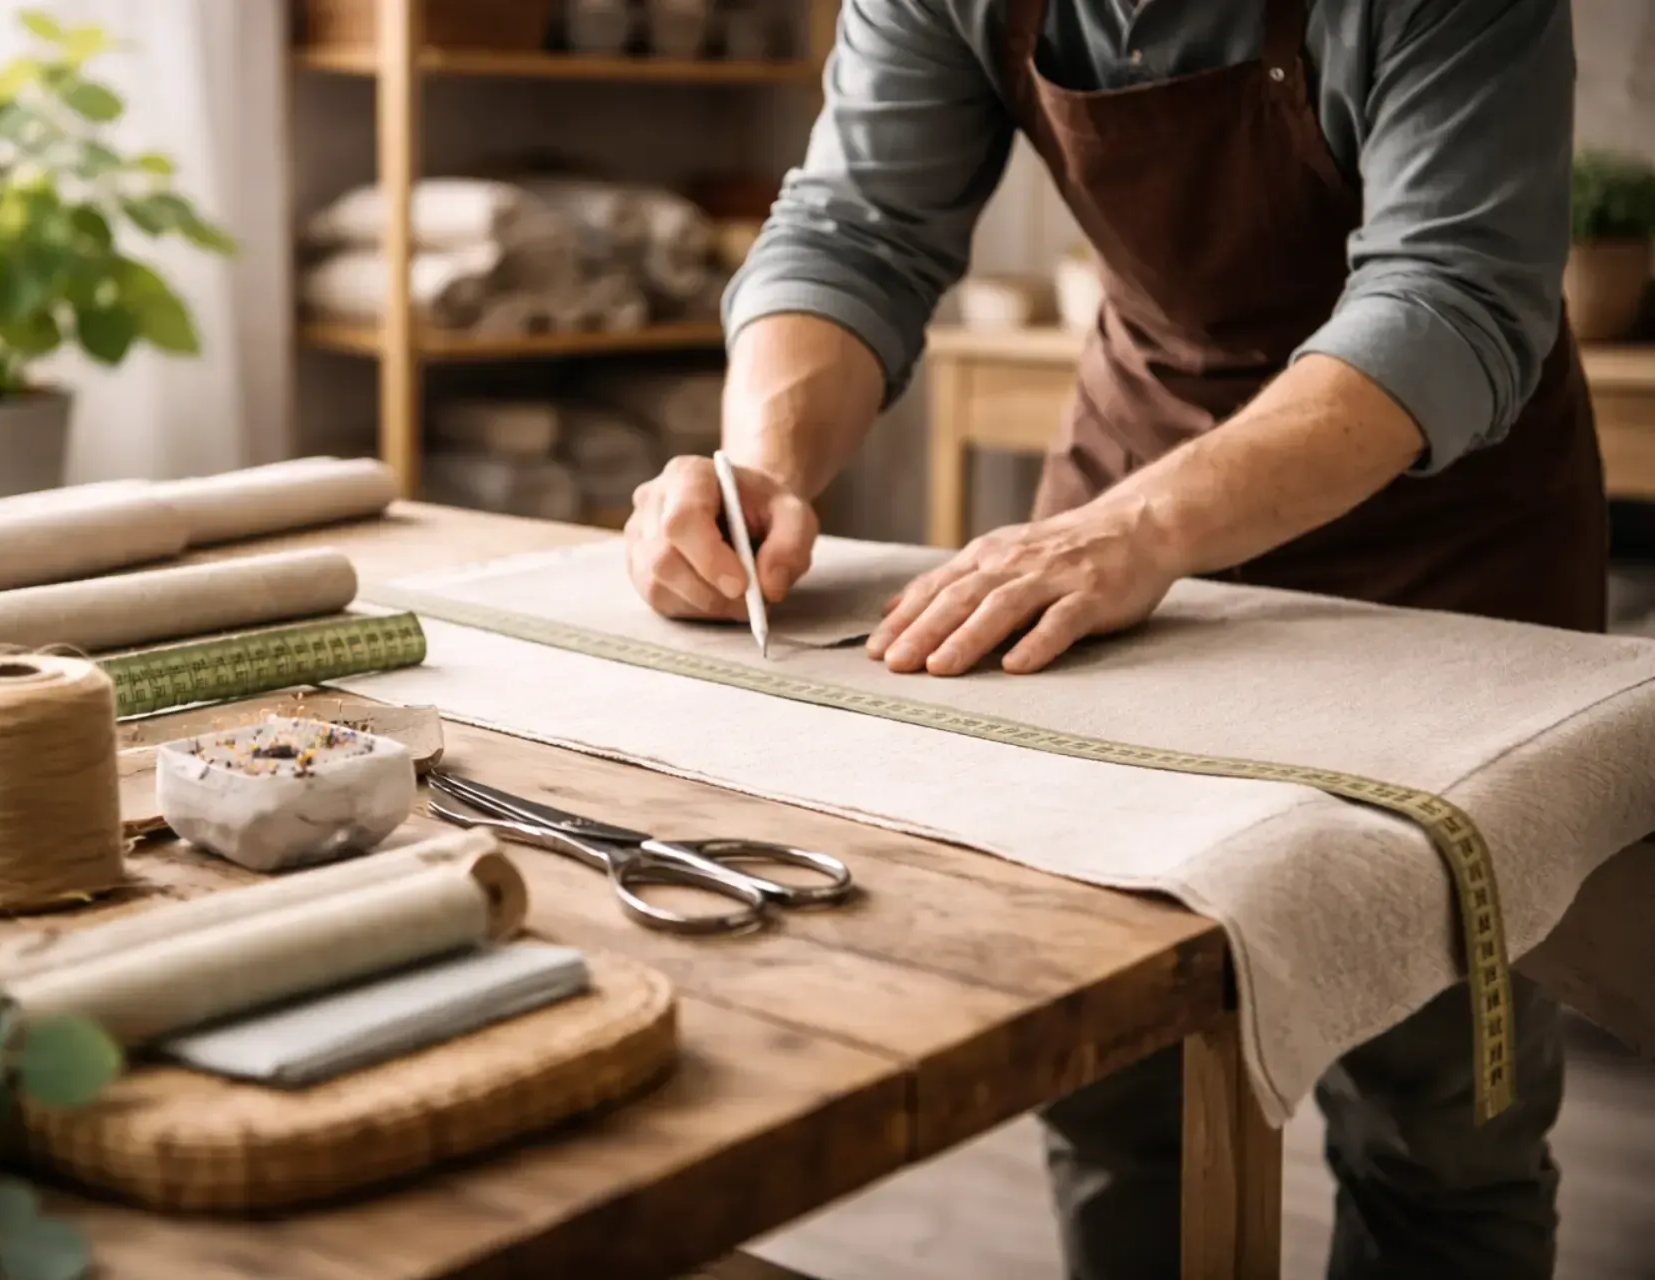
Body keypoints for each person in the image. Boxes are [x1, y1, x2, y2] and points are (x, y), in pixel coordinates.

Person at [622, 1, 1599, 1276]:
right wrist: (757, 474)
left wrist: (1139, 531)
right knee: (1112, 1072)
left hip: (1445, 538)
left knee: (1438, 1130)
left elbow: (1452, 290)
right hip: (1127, 487)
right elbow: (854, 230)